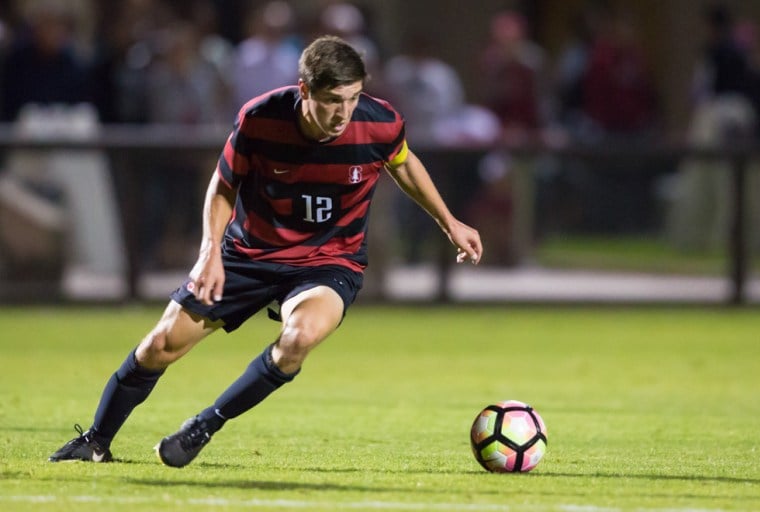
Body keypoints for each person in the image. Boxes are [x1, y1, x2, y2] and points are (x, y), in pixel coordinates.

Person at [48, 35, 483, 468]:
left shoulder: (380, 122)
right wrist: (209, 252)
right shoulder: (260, 118)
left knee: (299, 339)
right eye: (333, 100)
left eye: (352, 99)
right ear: (305, 90)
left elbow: (403, 162)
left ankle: (205, 424)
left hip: (328, 261)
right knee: (161, 344)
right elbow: (223, 185)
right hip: (249, 254)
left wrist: (450, 221)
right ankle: (95, 441)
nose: (343, 113)